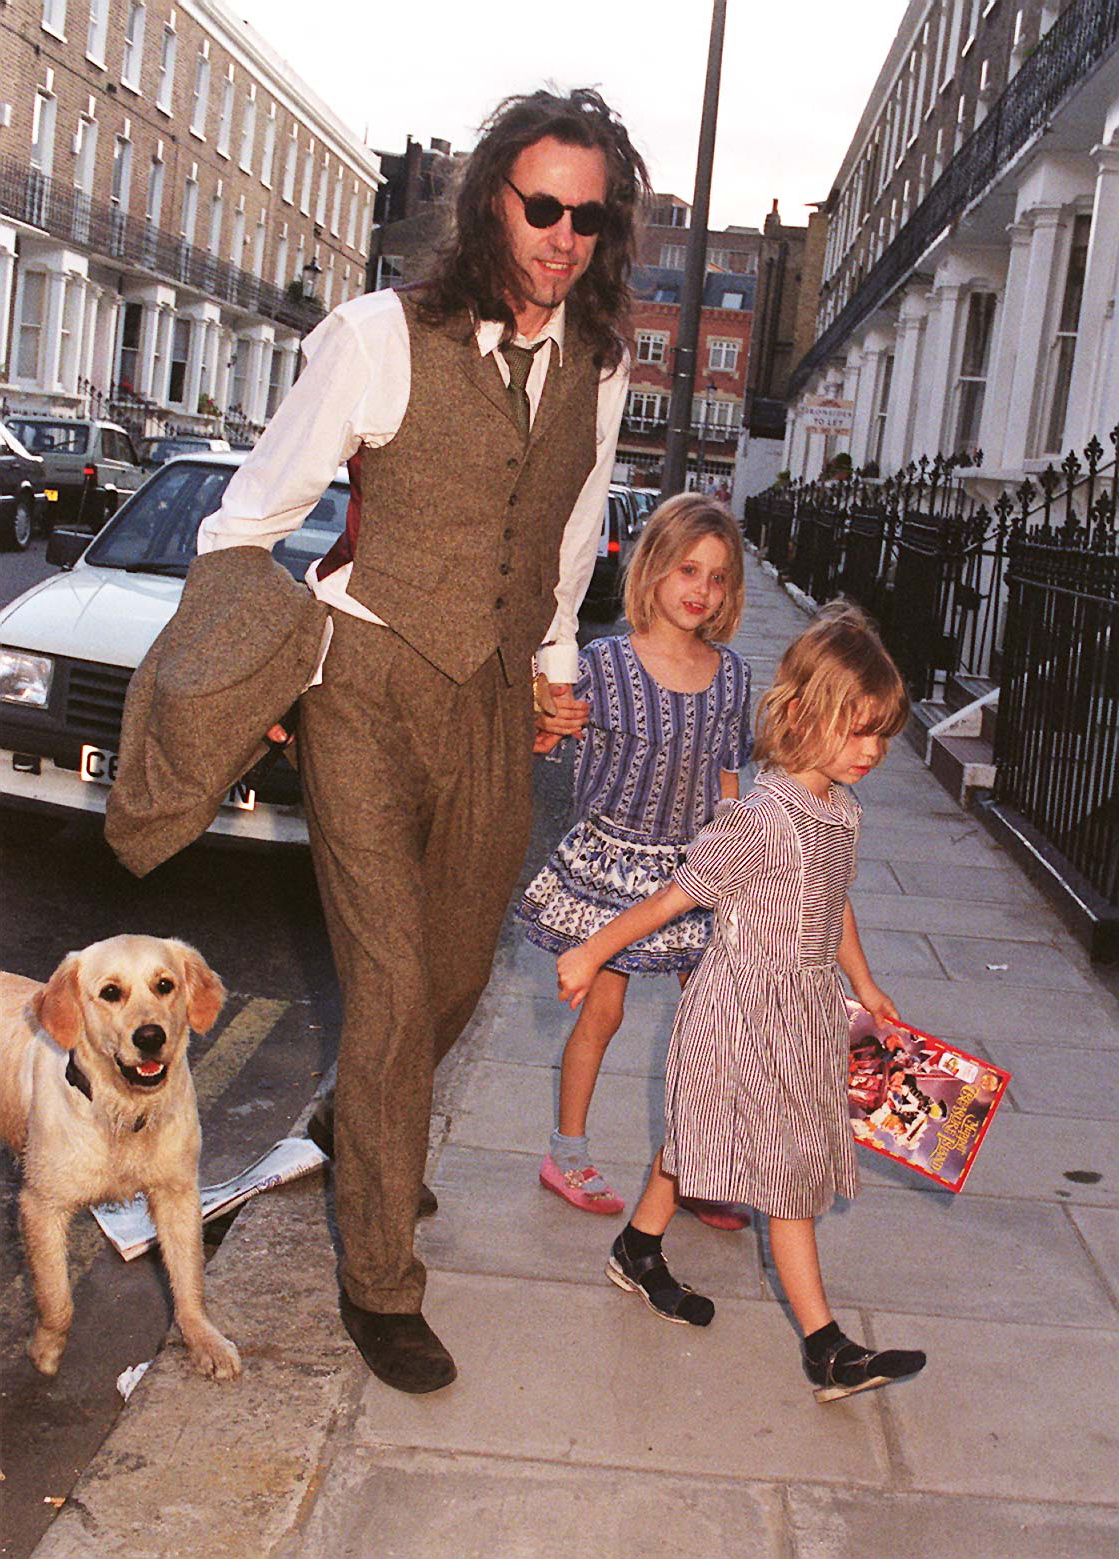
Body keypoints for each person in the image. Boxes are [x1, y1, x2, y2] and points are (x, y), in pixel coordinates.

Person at [195, 88, 650, 1394]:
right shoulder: (377, 336)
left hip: (494, 693)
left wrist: (555, 662)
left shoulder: (600, 362)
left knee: (452, 969)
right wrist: (249, 660)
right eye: (540, 205)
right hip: (364, 677)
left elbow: (571, 523)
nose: (561, 236)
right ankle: (379, 1274)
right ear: (491, 199)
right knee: (390, 982)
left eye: (587, 214)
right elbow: (245, 519)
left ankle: (356, 1111)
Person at [555, 603, 929, 1403]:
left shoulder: (840, 810)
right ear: (799, 715)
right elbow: (671, 898)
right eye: (858, 729)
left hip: (804, 1009)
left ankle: (638, 1249)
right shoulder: (759, 818)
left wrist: (863, 986)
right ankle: (825, 1347)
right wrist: (591, 950)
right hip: (737, 1010)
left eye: (881, 735)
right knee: (785, 1173)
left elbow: (834, 903)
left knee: (701, 1138)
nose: (872, 751)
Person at [516, 494, 752, 1228]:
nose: (700, 589)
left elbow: (727, 780)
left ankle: (697, 1164)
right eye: (687, 569)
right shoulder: (604, 663)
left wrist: (735, 867)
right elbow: (544, 739)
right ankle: (568, 1152)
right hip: (614, 865)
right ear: (650, 569)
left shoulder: (733, 675)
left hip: (694, 872)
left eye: (716, 577)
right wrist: (542, 715)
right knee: (605, 1010)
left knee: (713, 1022)